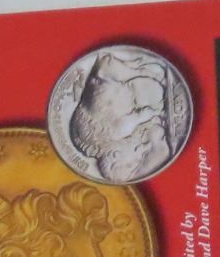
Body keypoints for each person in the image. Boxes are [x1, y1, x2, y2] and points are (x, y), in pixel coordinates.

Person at [68, 49, 176, 182]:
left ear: (115, 154)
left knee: (153, 83)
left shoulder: (119, 131)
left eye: (136, 150)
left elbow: (143, 114)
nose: (142, 148)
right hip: (102, 85)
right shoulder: (91, 147)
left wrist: (158, 113)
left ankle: (137, 71)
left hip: (110, 81)